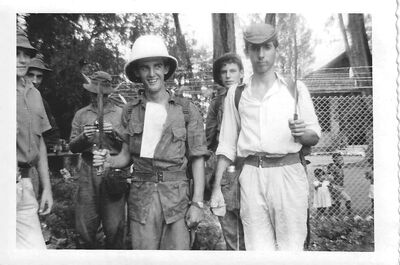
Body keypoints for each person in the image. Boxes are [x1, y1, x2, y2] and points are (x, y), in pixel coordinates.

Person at [210, 23, 321, 251]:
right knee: (257, 249)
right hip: (251, 174)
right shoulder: (237, 93)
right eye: (254, 48)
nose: (261, 55)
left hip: (288, 173)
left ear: (276, 48)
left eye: (267, 47)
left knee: (292, 247)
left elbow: (314, 135)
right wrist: (216, 189)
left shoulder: (295, 88)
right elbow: (227, 145)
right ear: (248, 51)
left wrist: (302, 134)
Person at [93, 35, 208, 250]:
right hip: (142, 201)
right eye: (145, 68)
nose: (152, 73)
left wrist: (197, 203)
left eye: (157, 66)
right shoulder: (130, 111)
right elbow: (126, 156)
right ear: (137, 72)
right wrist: (108, 160)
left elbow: (198, 158)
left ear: (165, 68)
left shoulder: (186, 109)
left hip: (177, 199)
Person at [69, 71, 127, 249]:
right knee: (85, 226)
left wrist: (115, 133)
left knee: (115, 227)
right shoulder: (81, 114)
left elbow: (130, 145)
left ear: (109, 93)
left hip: (113, 170)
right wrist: (83, 138)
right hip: (88, 171)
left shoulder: (121, 113)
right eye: (94, 94)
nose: (97, 98)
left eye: (101, 94)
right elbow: (72, 146)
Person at [16, 30, 53, 249]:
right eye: (15, 53)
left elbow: (40, 143)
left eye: (26, 54)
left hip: (25, 184)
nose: (22, 59)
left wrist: (47, 188)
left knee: (36, 251)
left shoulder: (34, 94)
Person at [206, 53, 245, 250]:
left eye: (232, 71)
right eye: (224, 72)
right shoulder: (216, 103)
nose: (228, 76)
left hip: (249, 168)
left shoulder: (250, 97)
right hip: (226, 170)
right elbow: (209, 138)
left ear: (241, 73)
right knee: (230, 230)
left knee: (253, 231)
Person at [26, 55, 61, 197]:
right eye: (31, 75)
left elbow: (52, 132)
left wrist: (54, 143)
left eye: (39, 77)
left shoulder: (41, 102)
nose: (35, 81)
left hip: (30, 167)